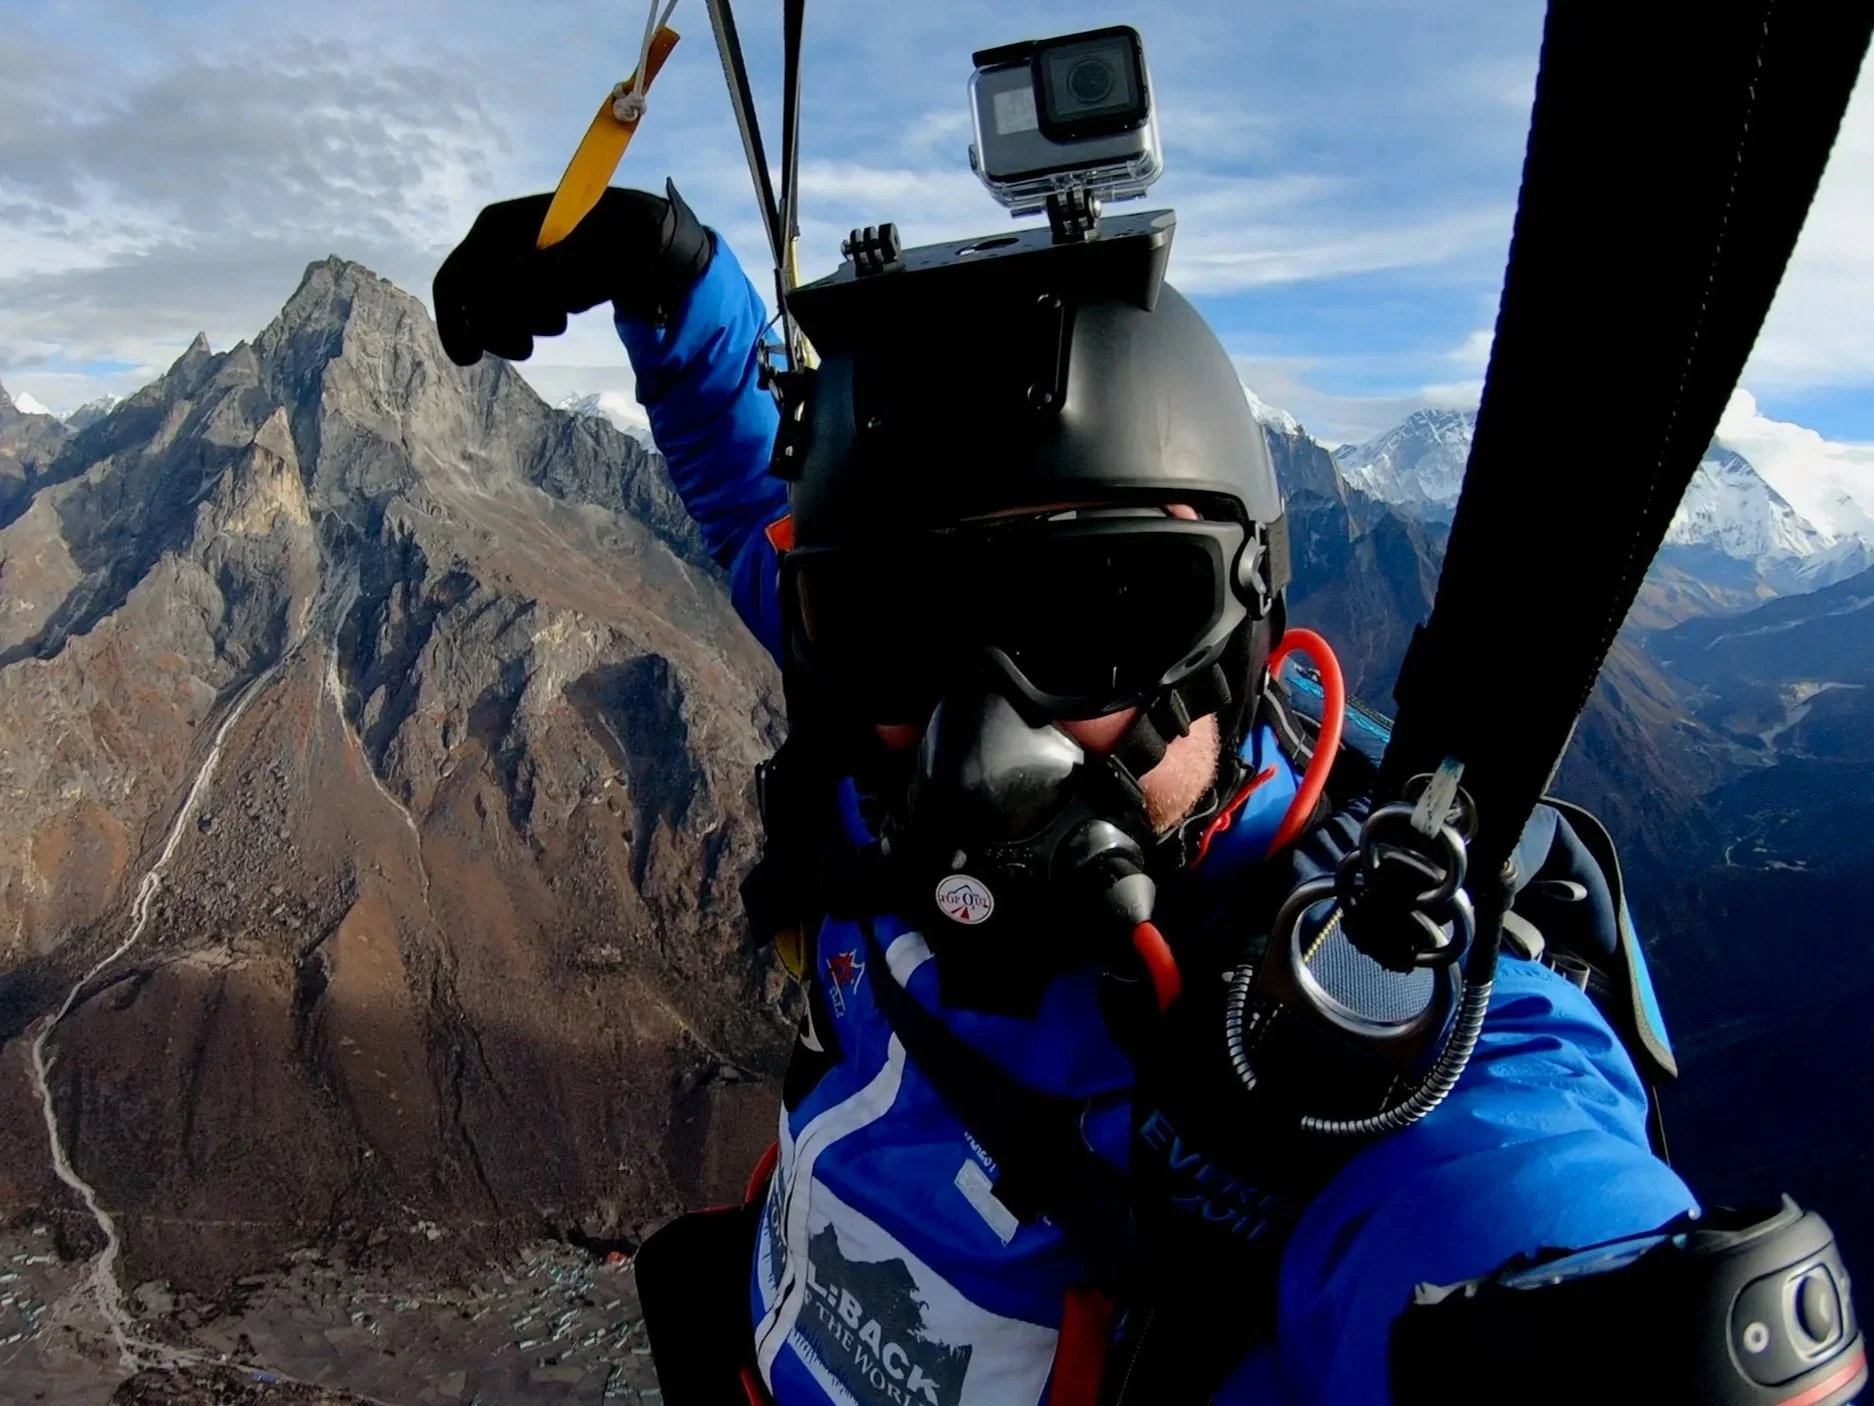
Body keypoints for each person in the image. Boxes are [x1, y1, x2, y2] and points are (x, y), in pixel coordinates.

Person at [435, 184, 1696, 1404]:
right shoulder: (872, 725)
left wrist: (1615, 1334)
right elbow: (751, 501)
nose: (976, 728)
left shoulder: (1374, 1037)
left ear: (1236, 636)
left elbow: (1523, 1213)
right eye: (896, 613)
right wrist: (668, 272)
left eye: (1091, 612)